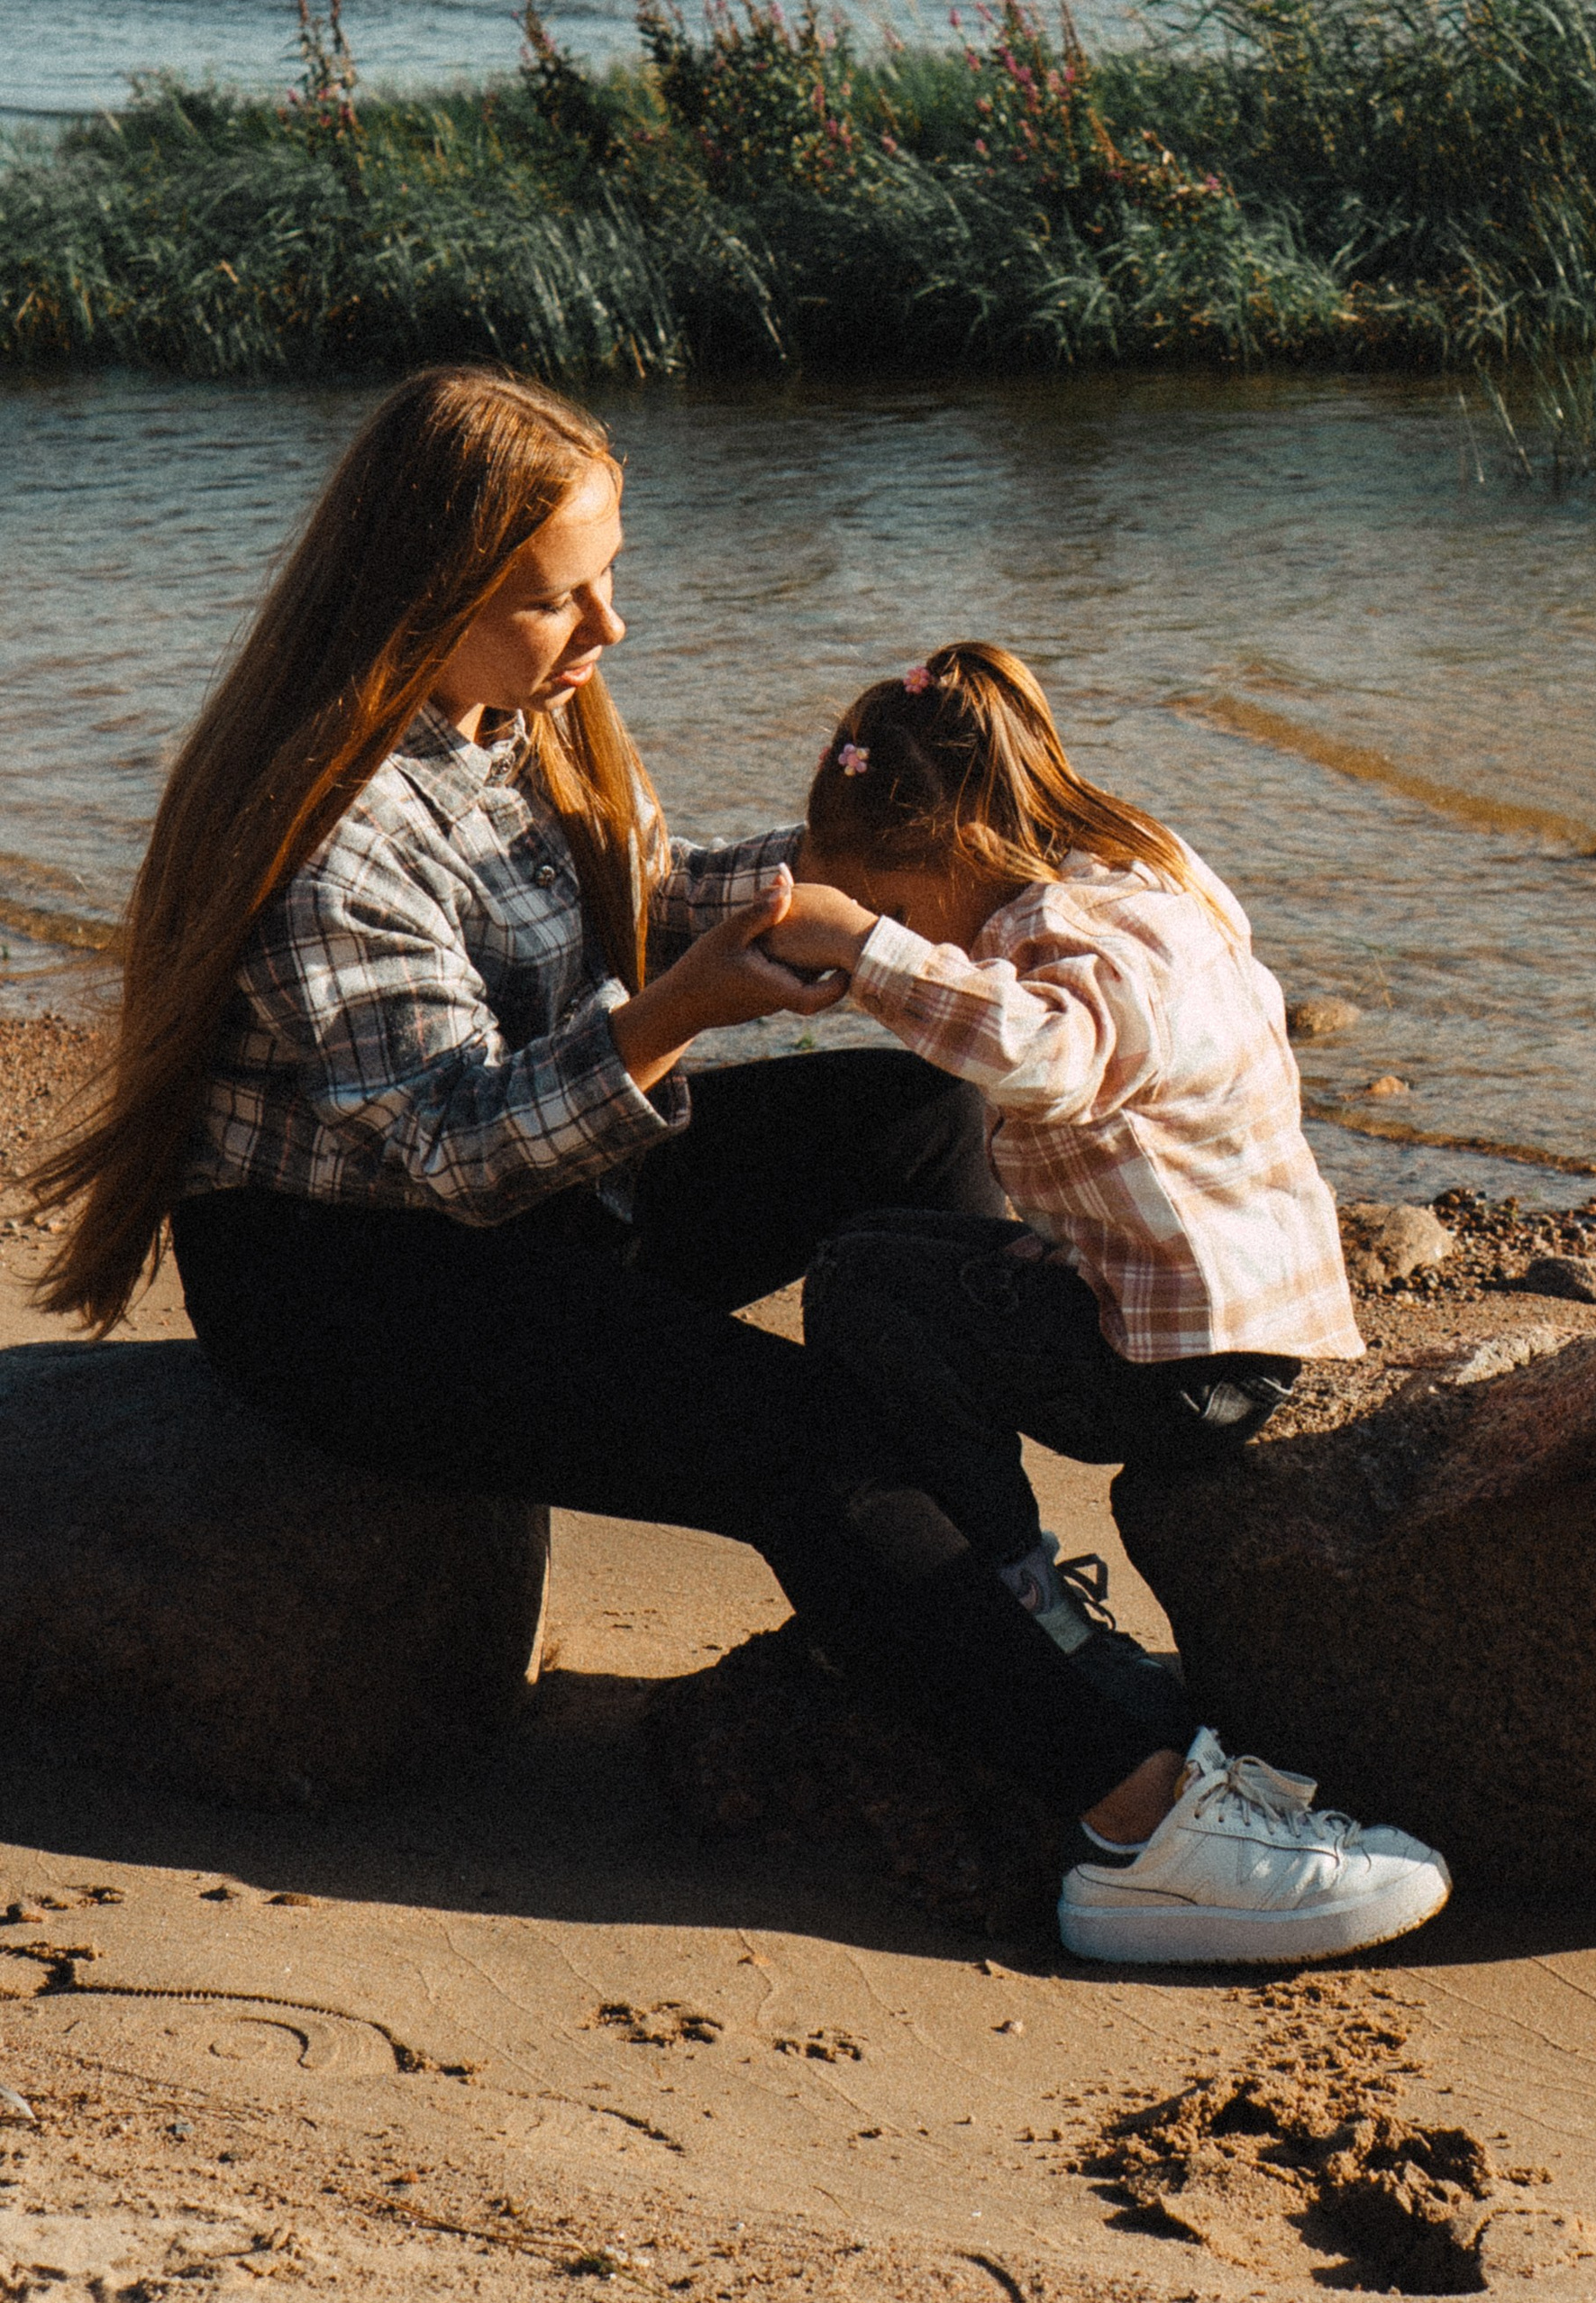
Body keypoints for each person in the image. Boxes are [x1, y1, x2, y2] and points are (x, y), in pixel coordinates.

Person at [31, 367, 1448, 1968]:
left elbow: (663, 889)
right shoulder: (338, 836)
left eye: (609, 574)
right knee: (789, 1430)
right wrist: (679, 1017)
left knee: (917, 1122)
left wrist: (934, 877)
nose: (610, 630)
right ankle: (1137, 1821)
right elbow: (456, 1151)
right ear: (421, 603)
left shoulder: (524, 723)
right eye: (558, 598)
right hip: (358, 1282)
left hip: (540, 1202)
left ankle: (978, 1578)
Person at [755, 641, 1452, 1963]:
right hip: (1235, 1320)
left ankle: (1015, 1587)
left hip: (1173, 1364)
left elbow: (1049, 1059)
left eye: (900, 902)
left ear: (954, 846)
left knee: (860, 1283)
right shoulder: (1144, 871)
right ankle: (1017, 1570)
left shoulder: (1067, 946)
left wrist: (882, 961)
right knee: (899, 1247)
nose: (901, 932)